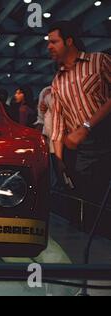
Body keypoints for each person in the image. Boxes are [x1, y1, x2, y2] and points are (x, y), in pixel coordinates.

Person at [48, 21, 111, 204]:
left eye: (54, 42)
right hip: (85, 149)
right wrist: (58, 161)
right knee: (90, 199)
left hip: (106, 133)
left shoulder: (98, 61)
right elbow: (58, 124)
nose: (49, 47)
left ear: (69, 41)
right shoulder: (57, 83)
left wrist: (86, 126)